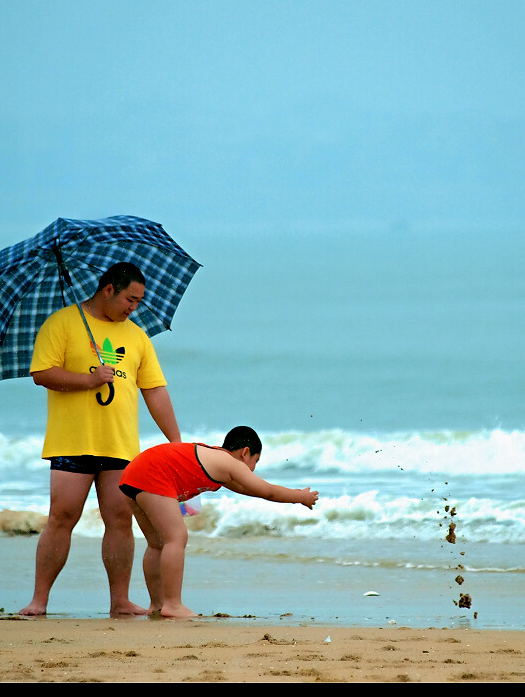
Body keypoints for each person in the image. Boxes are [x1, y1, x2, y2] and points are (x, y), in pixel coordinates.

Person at [18, 262, 183, 617]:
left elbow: (154, 391)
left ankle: (120, 601)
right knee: (62, 517)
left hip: (120, 446)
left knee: (120, 521)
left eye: (138, 301)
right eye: (129, 299)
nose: (133, 307)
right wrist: (88, 380)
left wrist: (175, 443)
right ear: (108, 289)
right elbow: (42, 373)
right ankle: (39, 600)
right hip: (72, 441)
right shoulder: (61, 323)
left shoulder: (137, 336)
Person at [118, 425, 319, 618]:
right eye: (255, 462)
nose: (253, 470)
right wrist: (300, 497)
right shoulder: (228, 462)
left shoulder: (218, 463)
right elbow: (268, 491)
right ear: (245, 452)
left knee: (157, 544)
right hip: (152, 474)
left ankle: (158, 604)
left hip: (132, 475)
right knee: (176, 537)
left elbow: (251, 490)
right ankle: (172, 604)